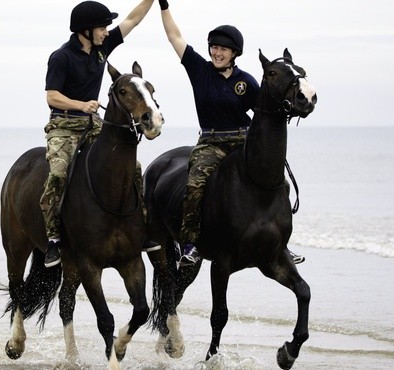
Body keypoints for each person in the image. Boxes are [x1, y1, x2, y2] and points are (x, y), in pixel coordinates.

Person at [157, 0, 305, 266]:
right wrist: (164, 6)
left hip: (242, 142)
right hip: (210, 143)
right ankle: (190, 245)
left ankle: (281, 245)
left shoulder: (246, 81)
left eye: (223, 49)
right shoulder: (199, 70)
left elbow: (265, 115)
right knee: (194, 184)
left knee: (279, 184)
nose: (217, 52)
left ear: (234, 52)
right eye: (214, 47)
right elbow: (174, 36)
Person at [41, 0, 156, 268]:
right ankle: (53, 239)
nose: (107, 31)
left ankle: (142, 228)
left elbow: (132, 20)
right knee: (58, 174)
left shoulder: (102, 47)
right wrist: (81, 105)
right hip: (64, 125)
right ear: (85, 30)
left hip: (94, 124)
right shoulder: (61, 57)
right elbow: (52, 96)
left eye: (106, 27)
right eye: (102, 27)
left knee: (133, 167)